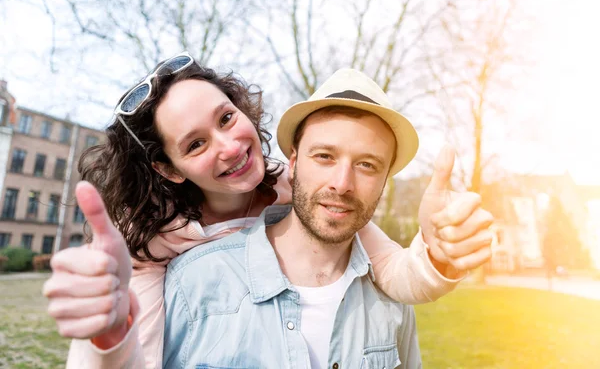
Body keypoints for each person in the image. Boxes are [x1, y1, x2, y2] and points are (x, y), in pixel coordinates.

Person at [43, 53, 494, 368]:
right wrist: (104, 332)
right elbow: (131, 352)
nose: (230, 147)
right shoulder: (152, 244)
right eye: (196, 144)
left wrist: (440, 249)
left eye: (226, 119)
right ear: (170, 169)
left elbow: (394, 268)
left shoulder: (294, 185)